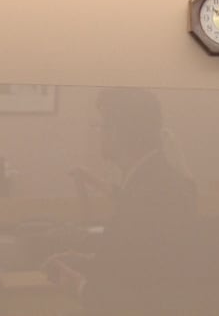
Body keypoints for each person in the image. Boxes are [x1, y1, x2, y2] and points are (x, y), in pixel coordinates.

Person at [42, 87, 198, 316]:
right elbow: (136, 263)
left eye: (102, 126)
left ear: (118, 133)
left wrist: (76, 284)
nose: (99, 134)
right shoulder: (155, 182)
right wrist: (88, 262)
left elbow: (133, 294)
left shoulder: (146, 193)